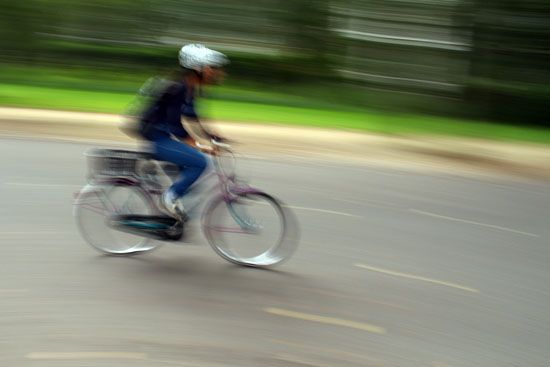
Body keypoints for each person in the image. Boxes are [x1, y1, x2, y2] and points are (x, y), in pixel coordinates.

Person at [139, 43, 229, 219]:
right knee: (200, 163)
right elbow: (175, 125)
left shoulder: (189, 87)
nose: (216, 72)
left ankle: (172, 220)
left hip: (162, 136)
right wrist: (198, 145)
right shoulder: (179, 87)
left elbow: (193, 115)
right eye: (212, 68)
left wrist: (213, 137)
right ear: (198, 68)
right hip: (156, 138)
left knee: (189, 180)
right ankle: (169, 197)